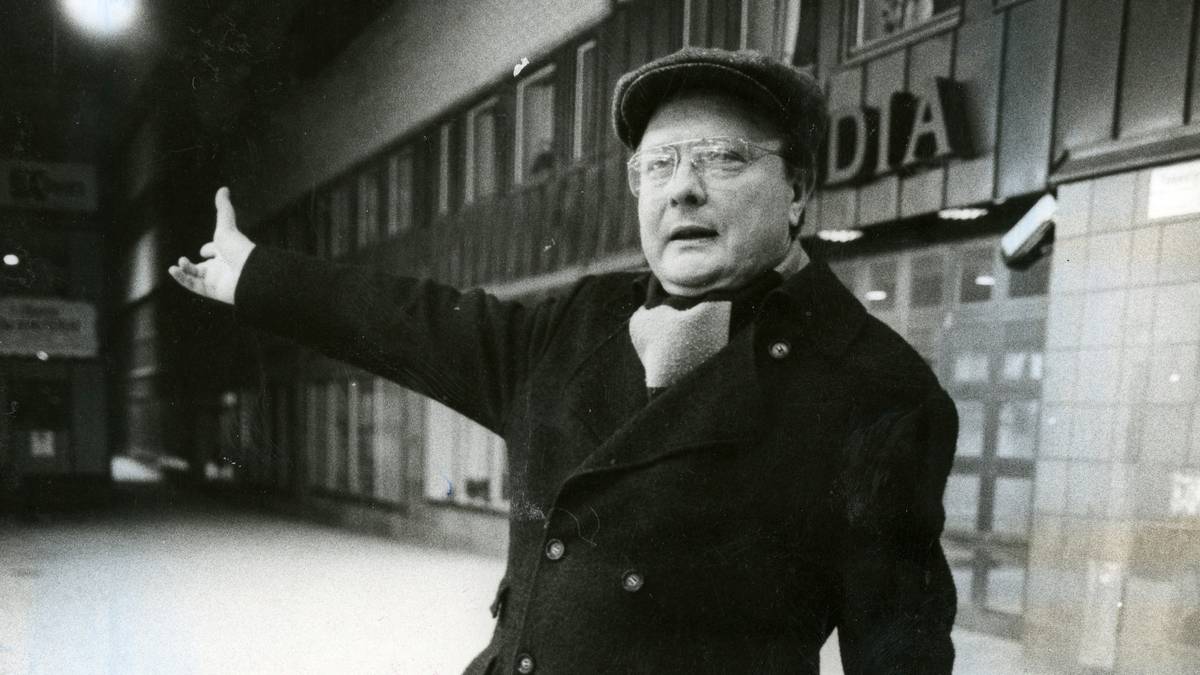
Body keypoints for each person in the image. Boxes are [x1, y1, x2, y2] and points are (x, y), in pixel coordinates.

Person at [170, 47, 957, 674]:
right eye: (657, 164)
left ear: (797, 189)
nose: (681, 190)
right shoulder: (581, 322)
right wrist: (256, 276)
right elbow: (412, 323)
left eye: (722, 158)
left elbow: (901, 654)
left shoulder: (873, 389)